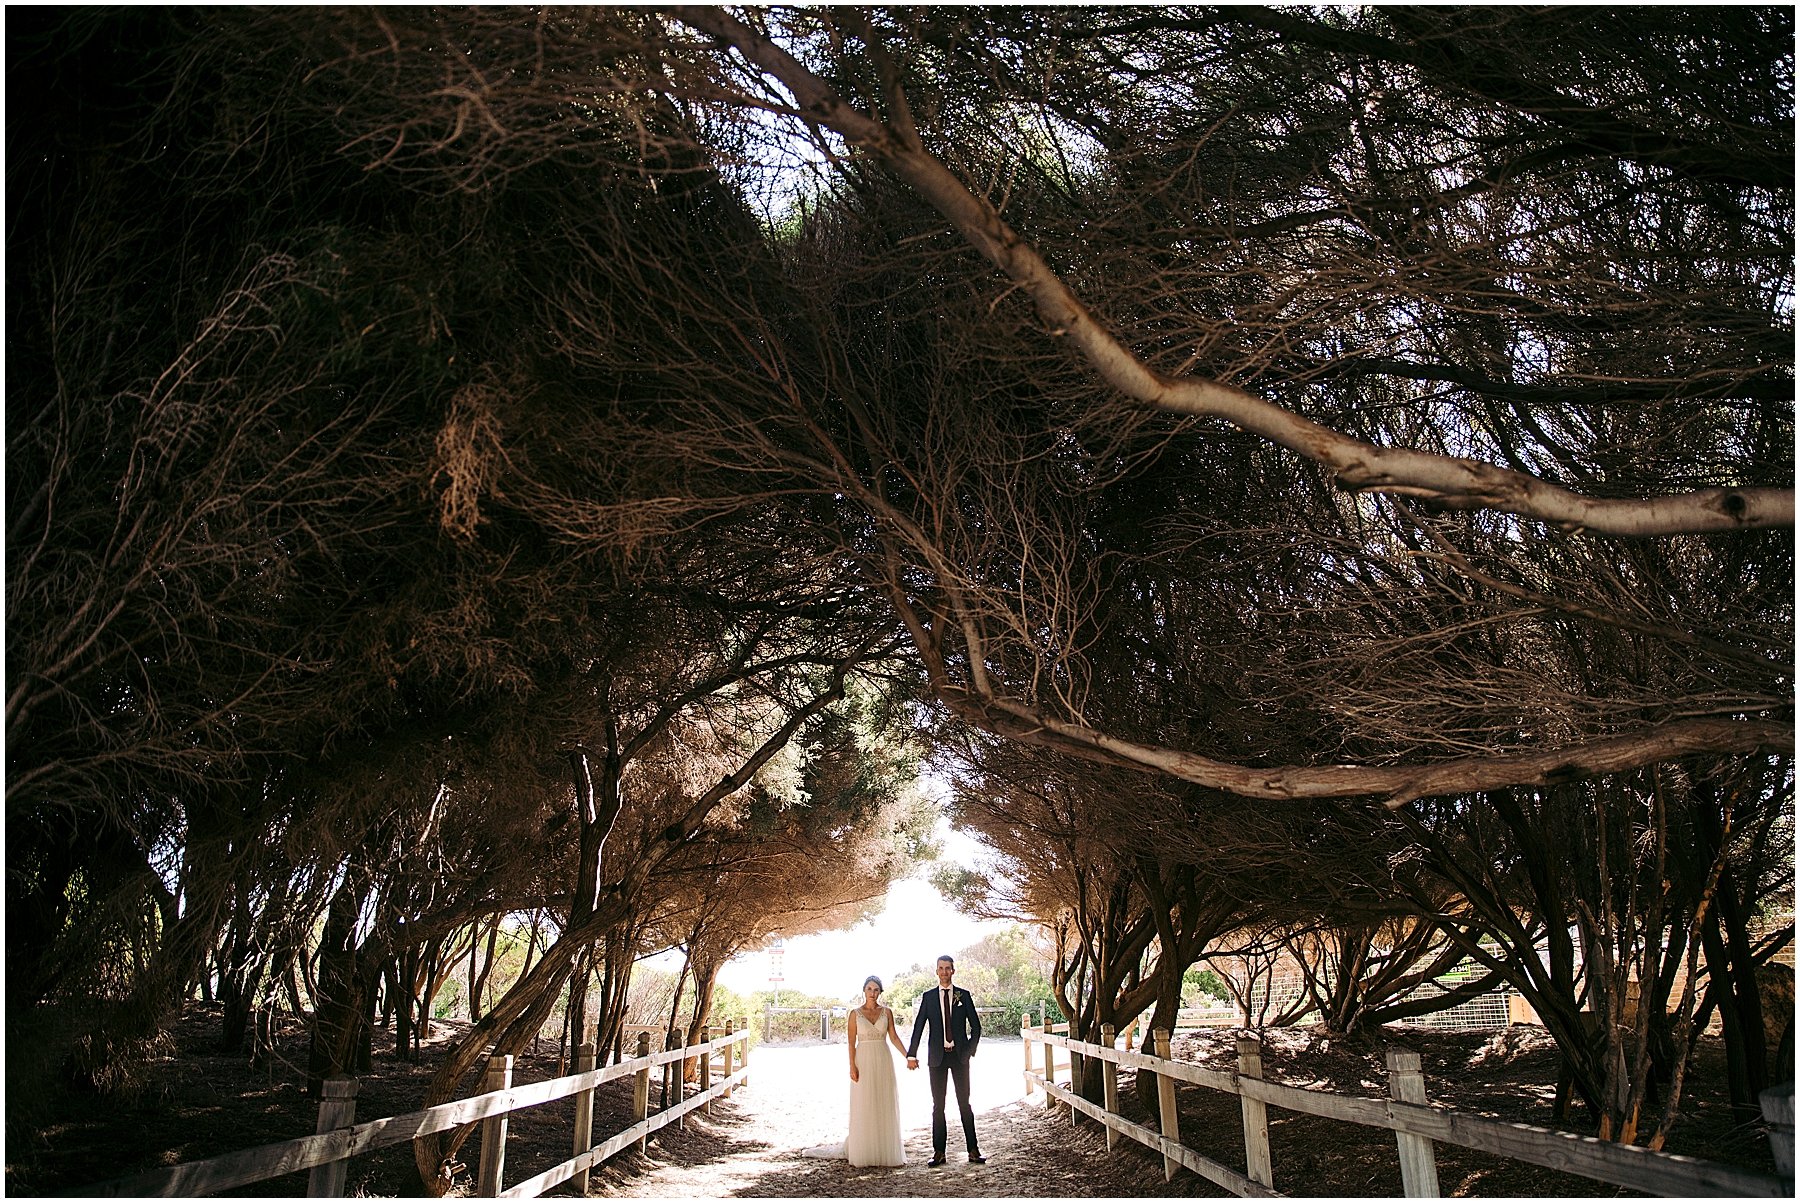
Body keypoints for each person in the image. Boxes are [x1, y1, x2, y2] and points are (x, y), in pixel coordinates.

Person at [804, 975, 908, 1166]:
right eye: (869, 989)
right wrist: (852, 1066)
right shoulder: (855, 1014)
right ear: (864, 990)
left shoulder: (887, 1012)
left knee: (883, 1100)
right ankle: (865, 1149)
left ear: (880, 992)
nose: (873, 993)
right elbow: (851, 1042)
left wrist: (908, 1056)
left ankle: (884, 1149)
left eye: (876, 989)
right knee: (865, 1101)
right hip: (863, 1059)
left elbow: (893, 1036)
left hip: (883, 1058)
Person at [905, 954, 986, 1167]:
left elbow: (976, 1027)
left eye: (947, 968)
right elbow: (919, 1026)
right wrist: (911, 1054)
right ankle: (939, 1152)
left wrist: (969, 1050)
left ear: (953, 971)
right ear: (936, 971)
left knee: (964, 1104)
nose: (944, 972)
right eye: (940, 968)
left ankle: (973, 1150)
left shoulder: (964, 995)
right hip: (937, 1058)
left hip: (959, 1057)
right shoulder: (929, 997)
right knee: (938, 1105)